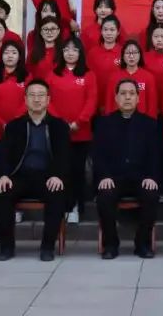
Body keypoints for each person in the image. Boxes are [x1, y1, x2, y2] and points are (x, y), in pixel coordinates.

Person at [0, 79, 71, 261]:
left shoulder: (59, 126)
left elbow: (65, 156)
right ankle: (6, 248)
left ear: (48, 99)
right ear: (25, 99)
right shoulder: (14, 126)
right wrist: (3, 175)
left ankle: (47, 247)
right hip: (19, 176)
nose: (37, 99)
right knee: (1, 192)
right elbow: (3, 156)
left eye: (41, 95)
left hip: (48, 177)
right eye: (32, 95)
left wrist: (58, 176)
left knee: (57, 193)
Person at [93, 78, 161, 259]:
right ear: (116, 98)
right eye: (123, 94)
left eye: (132, 93)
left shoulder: (150, 124)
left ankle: (142, 243)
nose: (127, 97)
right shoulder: (104, 123)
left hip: (141, 177)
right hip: (113, 177)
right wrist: (104, 176)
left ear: (138, 98)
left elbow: (156, 154)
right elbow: (98, 154)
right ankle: (111, 244)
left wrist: (151, 176)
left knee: (151, 195)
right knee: (105, 196)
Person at [46, 36, 97, 224]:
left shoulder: (88, 75)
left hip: (81, 132)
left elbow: (91, 100)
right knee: (60, 170)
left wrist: (78, 122)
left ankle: (77, 206)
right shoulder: (53, 74)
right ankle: (63, 205)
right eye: (66, 49)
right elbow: (47, 100)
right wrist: (61, 123)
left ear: (80, 53)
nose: (70, 53)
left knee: (78, 171)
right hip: (58, 132)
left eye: (74, 50)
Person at [0, 40, 29, 170]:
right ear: (1, 56)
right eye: (6, 53)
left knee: (17, 162)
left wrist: (13, 122)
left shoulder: (27, 77)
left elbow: (28, 100)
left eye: (14, 53)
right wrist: (0, 122)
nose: (10, 56)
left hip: (19, 126)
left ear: (19, 56)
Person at [104, 39, 159, 118]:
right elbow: (109, 103)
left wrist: (151, 122)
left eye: (135, 53)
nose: (131, 56)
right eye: (127, 53)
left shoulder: (148, 77)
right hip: (118, 120)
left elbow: (152, 105)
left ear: (140, 55)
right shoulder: (114, 77)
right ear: (123, 55)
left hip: (141, 120)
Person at [87, 15, 124, 107]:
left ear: (118, 32)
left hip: (117, 100)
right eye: (105, 30)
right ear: (101, 31)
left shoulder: (124, 52)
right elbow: (88, 77)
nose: (108, 33)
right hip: (96, 99)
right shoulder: (92, 53)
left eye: (112, 30)